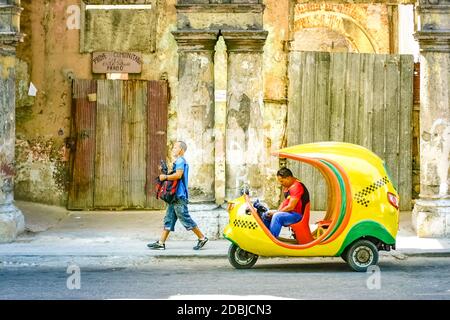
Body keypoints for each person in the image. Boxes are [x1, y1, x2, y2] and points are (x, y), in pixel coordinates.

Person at [147, 141, 208, 250]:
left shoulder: (180, 161)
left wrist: (164, 177)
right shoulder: (180, 161)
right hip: (174, 197)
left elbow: (178, 175)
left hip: (179, 196)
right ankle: (161, 243)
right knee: (169, 219)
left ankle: (202, 238)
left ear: (181, 150)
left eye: (175, 147)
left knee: (185, 218)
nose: (173, 149)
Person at [261, 167, 310, 238]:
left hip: (297, 215)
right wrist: (276, 211)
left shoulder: (296, 186)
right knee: (267, 214)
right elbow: (284, 202)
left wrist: (276, 212)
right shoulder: (288, 186)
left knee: (277, 216)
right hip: (290, 213)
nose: (281, 184)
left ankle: (272, 239)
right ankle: (266, 237)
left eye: (282, 181)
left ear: (288, 178)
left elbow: (291, 207)